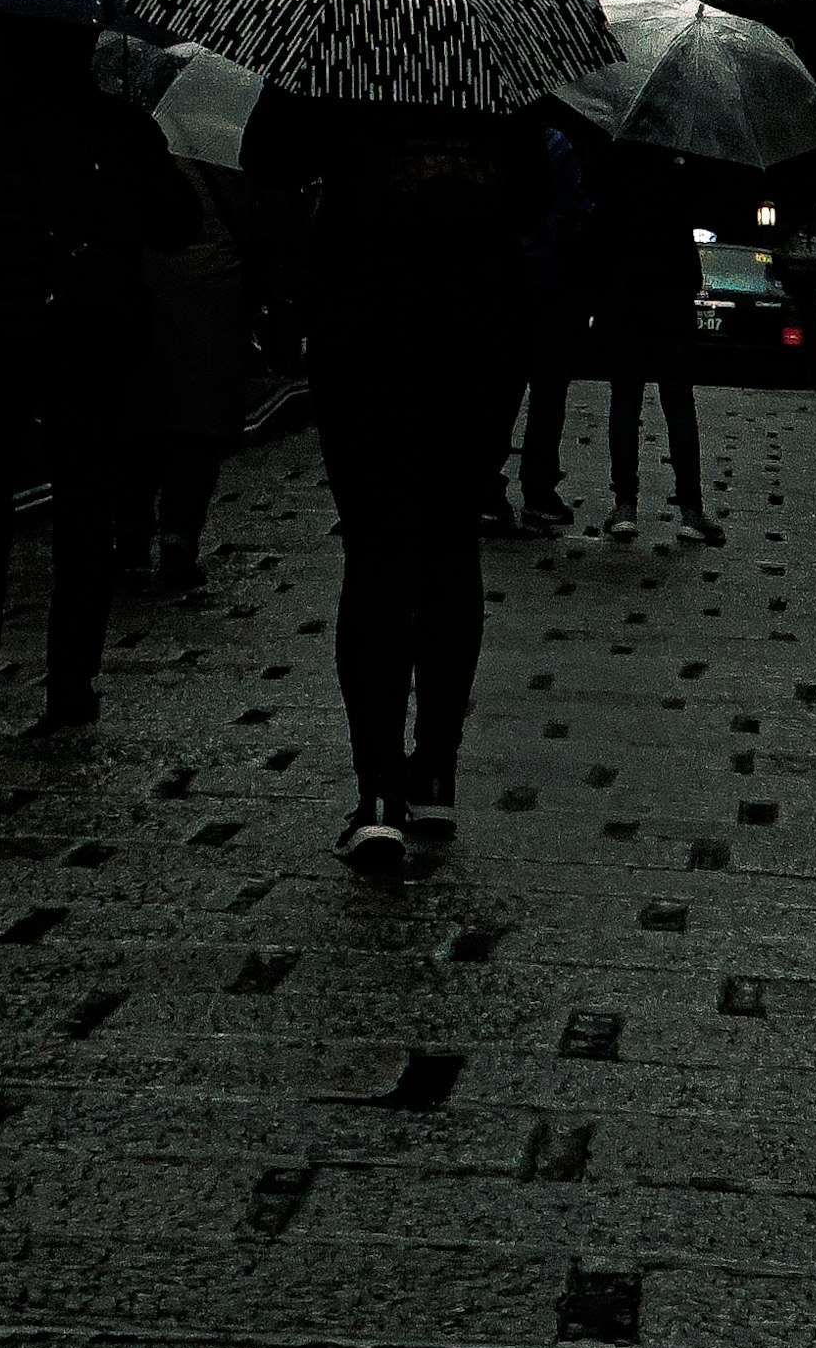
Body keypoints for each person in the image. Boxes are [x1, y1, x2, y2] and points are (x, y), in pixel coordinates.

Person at [263, 91, 551, 869]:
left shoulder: (341, 58)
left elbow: (266, 157)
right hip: (479, 330)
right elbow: (540, 192)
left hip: (364, 328)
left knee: (377, 553)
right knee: (451, 548)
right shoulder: (498, 62)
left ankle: (378, 794)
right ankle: (436, 772)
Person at [0, 26, 190, 733]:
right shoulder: (123, 128)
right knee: (85, 510)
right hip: (91, 336)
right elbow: (177, 224)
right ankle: (72, 680)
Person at [120, 131, 254, 597]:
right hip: (211, 295)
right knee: (198, 431)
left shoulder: (122, 143)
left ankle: (132, 534)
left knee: (138, 426)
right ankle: (179, 541)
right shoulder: (225, 144)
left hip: (136, 295)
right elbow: (257, 226)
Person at [586, 135, 723, 546]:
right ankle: (691, 510)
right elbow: (691, 266)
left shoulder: (614, 171)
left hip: (625, 305)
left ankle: (625, 504)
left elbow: (600, 243)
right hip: (670, 308)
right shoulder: (677, 174)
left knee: (624, 401)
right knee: (679, 403)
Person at [488, 119, 597, 536]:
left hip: (505, 284)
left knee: (500, 393)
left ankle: (487, 487)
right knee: (547, 397)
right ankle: (538, 490)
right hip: (551, 286)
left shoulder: (492, 144)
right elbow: (573, 208)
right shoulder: (556, 144)